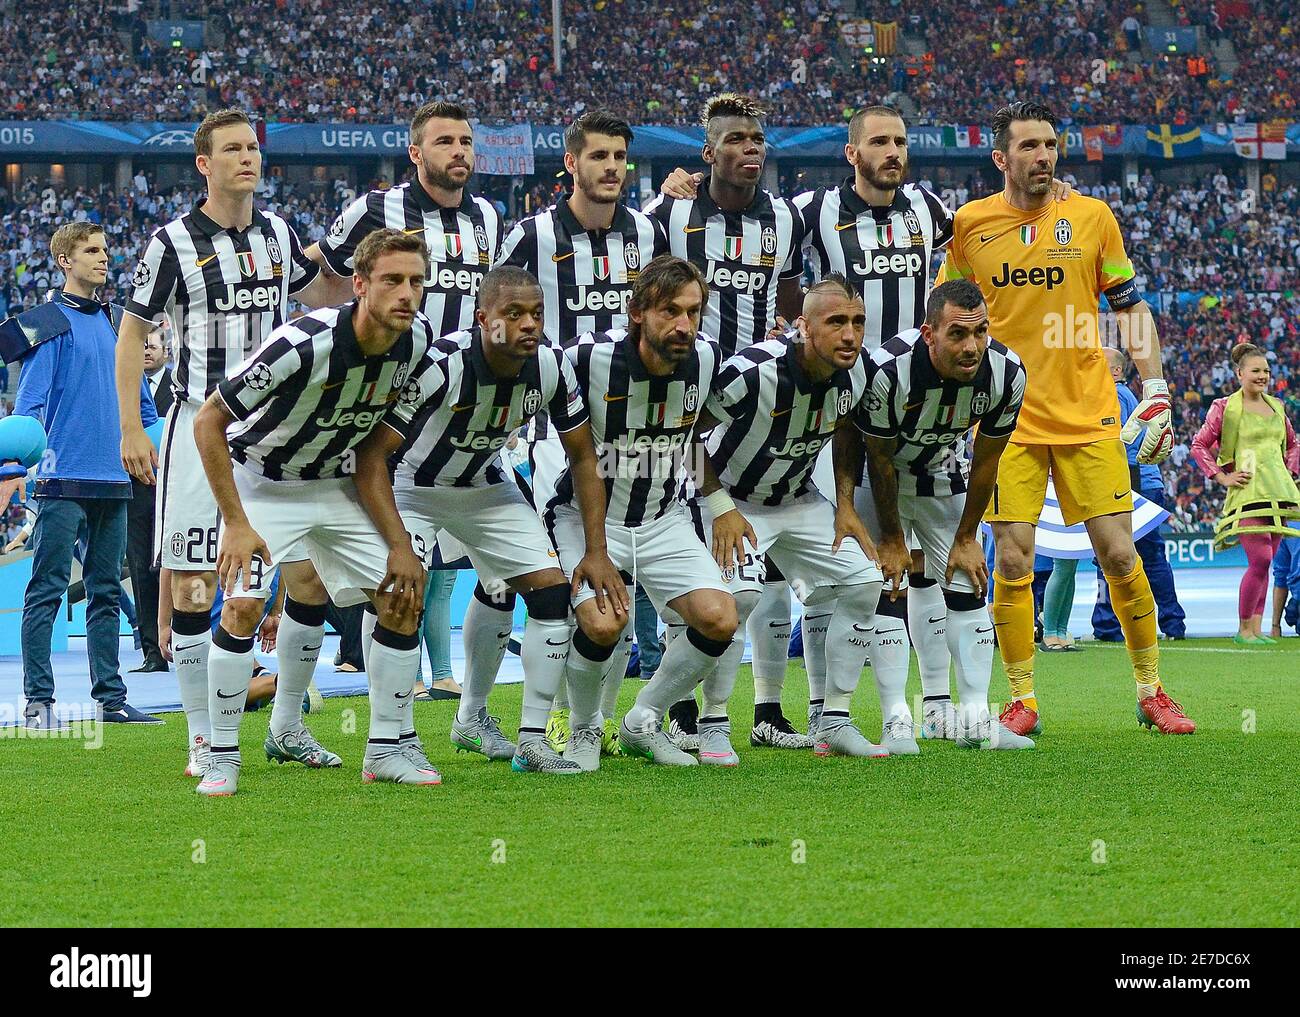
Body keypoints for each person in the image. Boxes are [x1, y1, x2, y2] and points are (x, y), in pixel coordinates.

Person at [937, 100, 1195, 736]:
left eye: (1050, 145)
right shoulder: (971, 224)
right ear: (1002, 158)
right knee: (1016, 562)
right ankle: (1022, 698)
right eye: (1028, 146)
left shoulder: (1092, 217)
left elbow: (1130, 308)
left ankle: (1151, 689)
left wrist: (1156, 386)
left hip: (1087, 415)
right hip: (1006, 422)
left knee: (1118, 553)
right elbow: (946, 312)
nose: (1043, 156)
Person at [116, 107, 335, 780]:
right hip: (196, 421)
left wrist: (347, 257)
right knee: (189, 586)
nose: (248, 157)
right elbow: (133, 334)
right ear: (204, 164)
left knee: (306, 576)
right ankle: (201, 738)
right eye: (233, 149)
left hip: (275, 429)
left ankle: (287, 725)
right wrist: (131, 425)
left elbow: (323, 295)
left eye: (253, 147)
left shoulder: (277, 234)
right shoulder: (172, 241)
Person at [191, 228, 437, 795]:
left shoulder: (418, 341)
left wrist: (400, 542)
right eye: (392, 280)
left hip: (335, 483)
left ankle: (385, 750)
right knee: (245, 607)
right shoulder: (302, 344)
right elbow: (210, 420)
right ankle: (220, 756)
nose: (407, 293)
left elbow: (375, 448)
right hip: (262, 482)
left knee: (401, 595)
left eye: (416, 281)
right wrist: (235, 521)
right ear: (358, 284)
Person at [354, 265, 623, 774]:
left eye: (537, 314)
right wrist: (397, 545)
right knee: (401, 596)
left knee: (548, 592)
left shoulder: (549, 367)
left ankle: (524, 738)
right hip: (412, 485)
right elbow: (375, 456)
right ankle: (389, 739)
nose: (528, 325)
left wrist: (595, 549)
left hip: (484, 484)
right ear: (483, 319)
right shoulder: (443, 365)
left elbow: (585, 458)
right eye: (513, 314)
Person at [499, 110, 668, 752]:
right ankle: (513, 719)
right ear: (571, 163)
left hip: (636, 436)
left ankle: (591, 728)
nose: (612, 169)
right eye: (599, 157)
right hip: (555, 435)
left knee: (617, 599)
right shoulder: (533, 236)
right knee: (565, 591)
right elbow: (500, 320)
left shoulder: (649, 235)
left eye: (620, 157)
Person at [645, 92, 807, 749]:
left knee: (760, 570)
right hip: (685, 410)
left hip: (757, 412)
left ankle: (765, 712)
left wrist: (784, 339)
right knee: (698, 568)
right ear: (708, 152)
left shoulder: (786, 220)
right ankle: (683, 714)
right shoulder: (669, 214)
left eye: (758, 140)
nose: (751, 150)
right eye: (736, 140)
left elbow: (793, 295)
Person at [550, 256, 738, 769]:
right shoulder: (585, 358)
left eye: (694, 313)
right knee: (605, 625)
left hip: (663, 518)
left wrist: (719, 503)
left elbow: (696, 436)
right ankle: (586, 728)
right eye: (670, 312)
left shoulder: (707, 359)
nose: (685, 326)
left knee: (720, 619)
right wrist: (596, 547)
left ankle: (642, 720)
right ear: (636, 312)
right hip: (586, 520)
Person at [690, 275, 887, 759]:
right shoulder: (751, 372)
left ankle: (834, 721)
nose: (850, 334)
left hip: (798, 500)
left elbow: (845, 432)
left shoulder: (859, 370)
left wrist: (845, 505)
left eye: (858, 322)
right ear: (803, 326)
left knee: (865, 582)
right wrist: (720, 508)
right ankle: (714, 721)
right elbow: (689, 437)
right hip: (731, 500)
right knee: (739, 599)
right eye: (836, 322)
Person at [855, 279, 1033, 750]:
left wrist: (967, 534)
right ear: (929, 333)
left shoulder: (1007, 373)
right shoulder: (888, 370)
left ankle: (975, 715)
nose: (972, 346)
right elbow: (877, 457)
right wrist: (892, 537)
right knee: (886, 584)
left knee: (967, 579)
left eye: (981, 332)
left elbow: (988, 459)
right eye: (957, 334)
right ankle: (896, 717)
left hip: (939, 472)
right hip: (880, 477)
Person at [4, 222, 160, 728]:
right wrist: (19, 467)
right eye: (91, 250)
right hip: (61, 479)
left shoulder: (121, 323)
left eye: (106, 249)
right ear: (65, 261)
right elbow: (29, 410)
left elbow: (143, 407)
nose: (103, 257)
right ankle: (38, 700)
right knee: (46, 589)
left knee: (107, 592)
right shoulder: (47, 323)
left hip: (115, 478)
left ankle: (111, 701)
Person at [1190, 342, 1300, 646]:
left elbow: (1293, 444)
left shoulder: (1277, 406)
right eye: (1256, 371)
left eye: (1266, 370)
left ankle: (1256, 629)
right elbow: (1199, 445)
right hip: (1247, 488)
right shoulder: (1224, 407)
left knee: (1269, 559)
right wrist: (1222, 476)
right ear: (1240, 373)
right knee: (1261, 559)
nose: (1263, 375)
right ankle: (1243, 628)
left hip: (1278, 489)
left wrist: (1290, 471)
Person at [1092, 346, 1186, 641]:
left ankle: (1108, 624)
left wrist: (1121, 493)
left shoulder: (1115, 396)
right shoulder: (1125, 396)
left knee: (1113, 553)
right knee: (1150, 555)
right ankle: (1172, 623)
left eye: (1099, 364)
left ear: (1116, 371)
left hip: (1131, 483)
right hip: (1144, 482)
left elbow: (1121, 448)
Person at [125, 325, 171, 673]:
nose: (145, 351)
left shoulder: (180, 389)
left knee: (174, 564)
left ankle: (181, 642)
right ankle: (151, 651)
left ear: (166, 353)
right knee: (140, 567)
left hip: (173, 488)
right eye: (140, 345)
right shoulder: (122, 389)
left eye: (152, 345)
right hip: (135, 489)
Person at [1269, 522, 1300, 638]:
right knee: (1292, 613)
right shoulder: (1284, 527)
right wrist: (1275, 625)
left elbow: (1280, 578)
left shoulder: (1284, 526)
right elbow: (1280, 578)